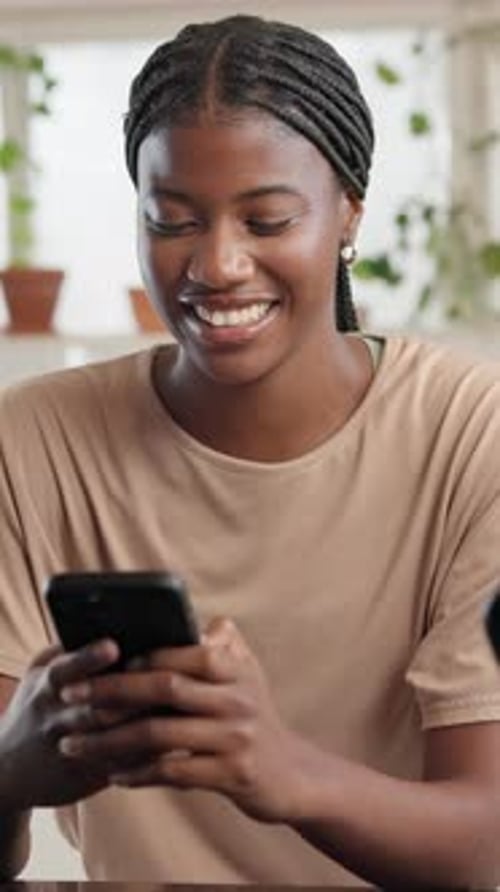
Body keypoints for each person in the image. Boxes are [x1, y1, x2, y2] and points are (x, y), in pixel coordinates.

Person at [0, 13, 500, 889]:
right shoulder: (30, 442)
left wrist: (277, 769)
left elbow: (486, 845)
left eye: (267, 220)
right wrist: (14, 770)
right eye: (172, 220)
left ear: (349, 212)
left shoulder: (474, 433)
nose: (218, 265)